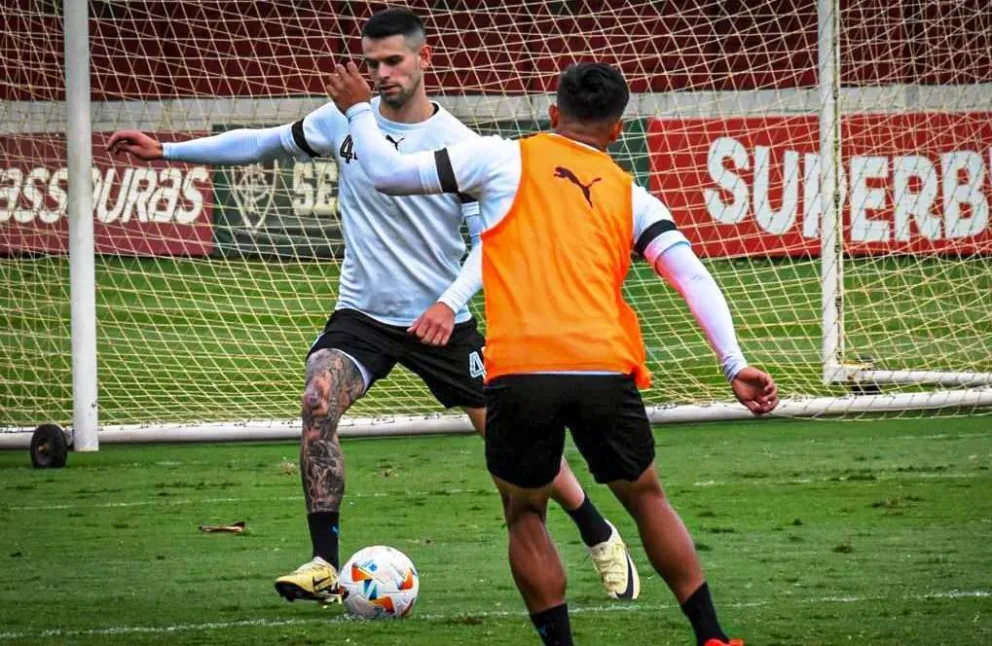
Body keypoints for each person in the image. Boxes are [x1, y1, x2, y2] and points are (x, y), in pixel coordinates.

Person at [107, 10, 639, 606]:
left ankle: (597, 530)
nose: (381, 74)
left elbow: (491, 243)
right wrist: (168, 150)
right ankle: (323, 565)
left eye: (393, 62)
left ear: (424, 59)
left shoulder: (461, 147)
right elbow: (261, 143)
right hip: (363, 316)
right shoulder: (341, 123)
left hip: (443, 322)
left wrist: (447, 302)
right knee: (317, 399)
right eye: (371, 64)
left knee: (511, 447)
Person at [326, 60, 779, 645]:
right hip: (604, 367)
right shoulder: (630, 195)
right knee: (647, 500)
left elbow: (386, 174)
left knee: (527, 513)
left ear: (553, 113)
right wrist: (733, 363)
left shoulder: (499, 158)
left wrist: (360, 110)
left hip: (522, 370)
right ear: (617, 130)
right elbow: (691, 276)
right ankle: (713, 636)